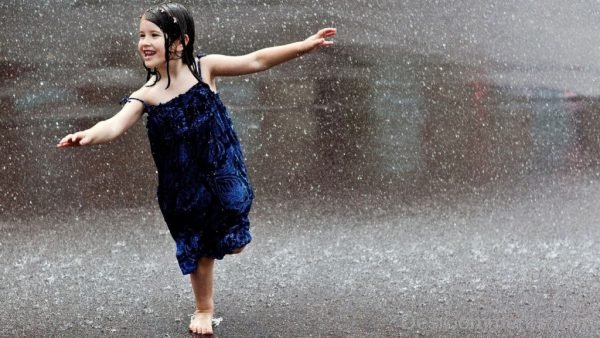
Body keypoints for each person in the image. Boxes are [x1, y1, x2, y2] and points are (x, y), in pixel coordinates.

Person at [57, 2, 336, 335]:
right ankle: (203, 308)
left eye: (154, 35)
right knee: (198, 246)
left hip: (223, 170)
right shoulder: (146, 95)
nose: (144, 42)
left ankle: (228, 238)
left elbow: (256, 59)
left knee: (234, 237)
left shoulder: (205, 69)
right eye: (141, 35)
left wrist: (303, 46)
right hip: (182, 186)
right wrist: (89, 134)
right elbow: (114, 125)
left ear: (180, 41)